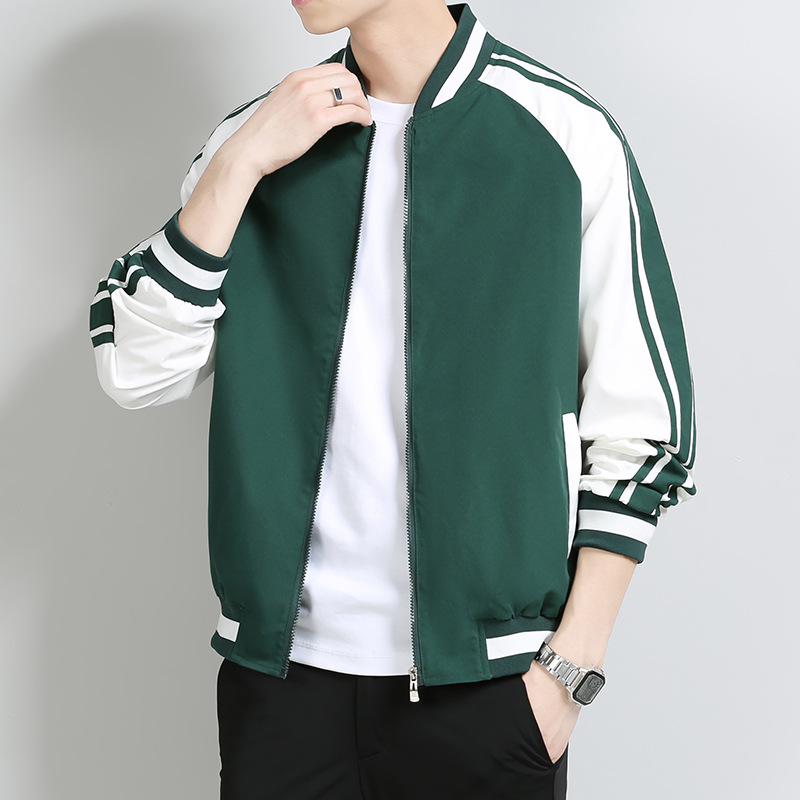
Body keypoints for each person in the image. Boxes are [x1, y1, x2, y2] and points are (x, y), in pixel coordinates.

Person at [89, 1, 696, 797]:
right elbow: (137, 370)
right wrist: (239, 165)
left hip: (487, 689)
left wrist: (568, 670)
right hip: (280, 687)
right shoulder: (261, 136)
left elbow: (642, 424)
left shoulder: (562, 133)